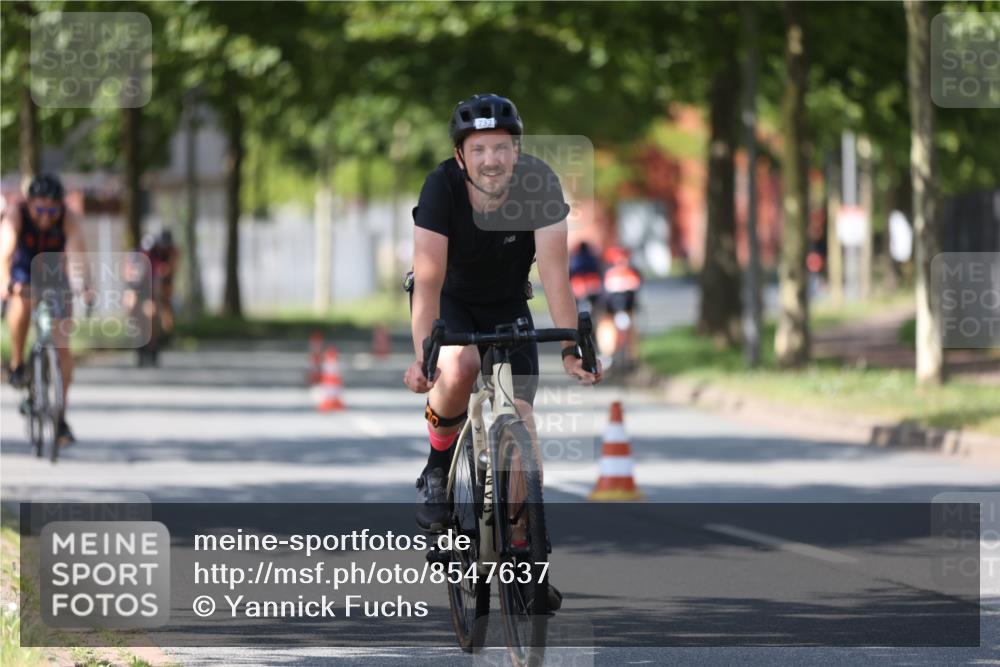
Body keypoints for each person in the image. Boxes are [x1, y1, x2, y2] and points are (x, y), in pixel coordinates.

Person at [403, 95, 602, 590]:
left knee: (523, 423)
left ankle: (525, 553)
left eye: (500, 148)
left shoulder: (540, 185)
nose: (490, 159)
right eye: (478, 149)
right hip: (451, 300)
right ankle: (437, 466)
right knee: (461, 366)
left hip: (509, 302)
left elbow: (556, 277)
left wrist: (570, 350)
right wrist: (422, 358)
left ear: (517, 151)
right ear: (460, 157)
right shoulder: (440, 188)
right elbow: (426, 283)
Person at [0, 173, 92, 445]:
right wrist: (6, 283)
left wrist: (85, 284)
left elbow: (79, 253)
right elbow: (5, 252)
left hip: (53, 273)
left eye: (52, 209)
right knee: (22, 301)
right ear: (29, 205)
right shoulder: (16, 216)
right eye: (40, 209)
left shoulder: (68, 218)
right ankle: (17, 363)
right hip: (22, 270)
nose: (46, 216)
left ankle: (61, 418)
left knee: (63, 347)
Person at [598, 245, 642, 367]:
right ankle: (607, 354)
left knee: (631, 328)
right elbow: (603, 293)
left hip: (627, 308)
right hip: (610, 310)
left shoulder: (632, 272)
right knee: (607, 327)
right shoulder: (608, 273)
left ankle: (631, 355)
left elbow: (636, 288)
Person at [568, 241, 602, 314]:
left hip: (580, 284)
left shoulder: (575, 258)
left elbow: (572, 271)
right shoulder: (591, 257)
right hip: (589, 283)